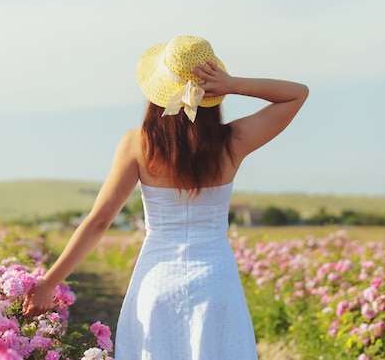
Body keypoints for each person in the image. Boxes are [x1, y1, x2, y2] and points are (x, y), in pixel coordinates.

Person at [23, 35, 309, 360]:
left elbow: (99, 221)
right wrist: (231, 84)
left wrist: (49, 282)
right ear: (211, 93)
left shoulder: (138, 144)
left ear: (157, 90)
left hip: (156, 282)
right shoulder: (233, 141)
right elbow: (297, 94)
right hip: (216, 282)